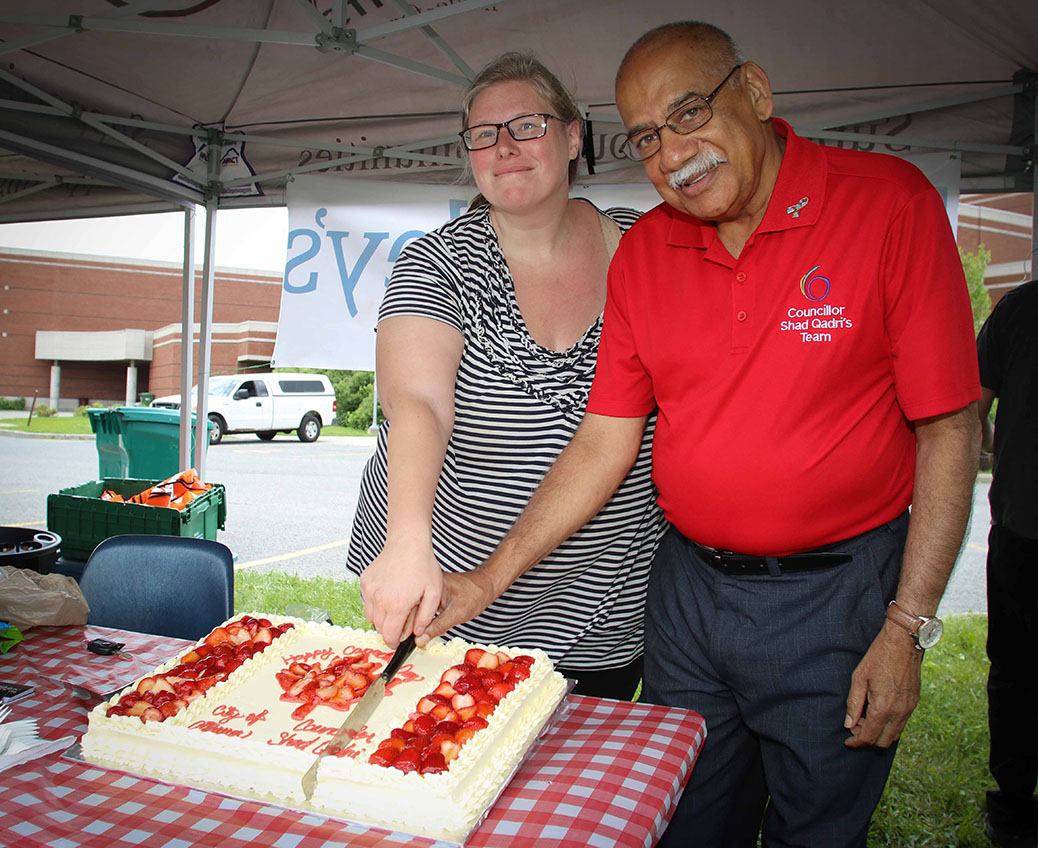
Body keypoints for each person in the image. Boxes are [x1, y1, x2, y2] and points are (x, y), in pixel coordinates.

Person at [416, 21, 982, 848]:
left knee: (817, 828)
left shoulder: (888, 203)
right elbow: (604, 442)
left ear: (753, 92)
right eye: (647, 137)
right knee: (681, 816)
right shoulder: (645, 250)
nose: (672, 153)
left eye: (688, 114)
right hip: (687, 597)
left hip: (835, 598)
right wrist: (485, 579)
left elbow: (949, 428)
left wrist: (908, 628)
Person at [346, 52, 666, 701]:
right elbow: (417, 407)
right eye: (484, 134)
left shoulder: (650, 251)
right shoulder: (437, 260)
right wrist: (407, 542)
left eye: (526, 125)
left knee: (575, 793)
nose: (504, 147)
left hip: (604, 601)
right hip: (455, 600)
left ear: (574, 136)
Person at [977, 279, 1038, 848]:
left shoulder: (1018, 308)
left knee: (1016, 673)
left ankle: (1014, 807)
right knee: (1016, 672)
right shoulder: (1018, 310)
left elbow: (975, 410)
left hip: (1023, 524)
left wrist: (1002, 450)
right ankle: (1014, 804)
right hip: (1024, 526)